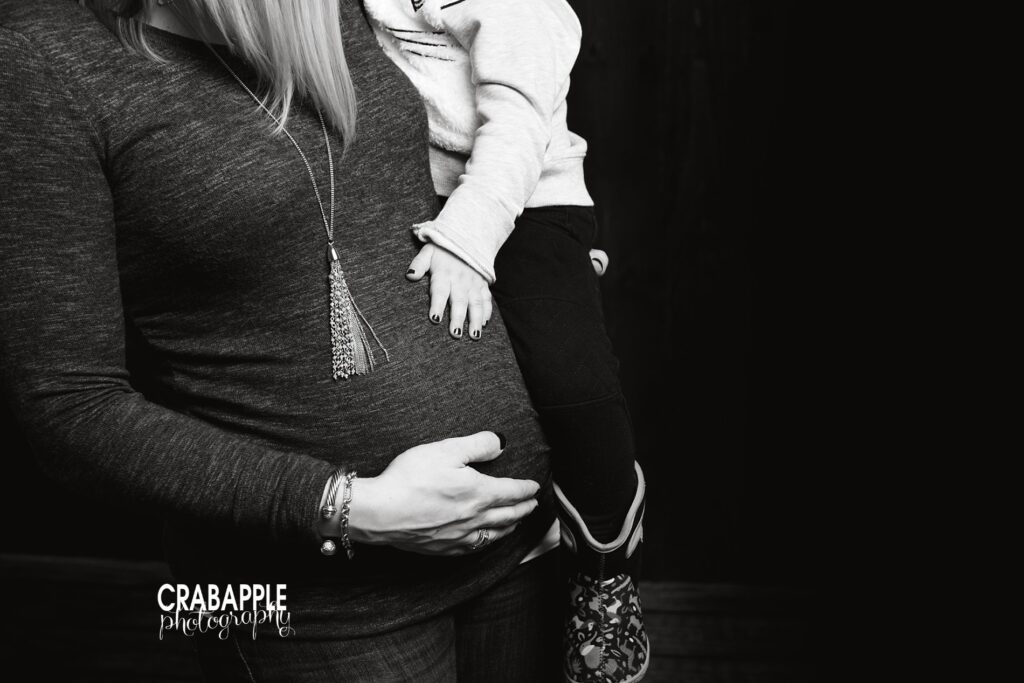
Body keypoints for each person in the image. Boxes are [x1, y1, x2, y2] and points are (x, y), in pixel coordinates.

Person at [0, 0, 567, 680]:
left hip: (523, 536)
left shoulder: (349, 9)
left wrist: (593, 443)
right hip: (294, 597)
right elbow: (67, 407)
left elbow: (515, 131)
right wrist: (346, 506)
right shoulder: (40, 61)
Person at [362, 1, 650, 681]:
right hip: (407, 192)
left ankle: (606, 567)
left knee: (572, 381)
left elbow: (519, 122)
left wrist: (469, 236)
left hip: (523, 196)